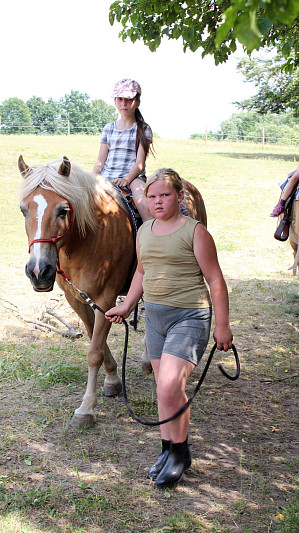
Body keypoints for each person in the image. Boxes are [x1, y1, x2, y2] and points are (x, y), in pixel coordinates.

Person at [105, 168, 233, 489]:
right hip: (156, 318)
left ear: (179, 196)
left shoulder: (195, 232)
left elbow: (215, 280)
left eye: (165, 195)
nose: (158, 201)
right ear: (145, 200)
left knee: (168, 387)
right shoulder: (144, 231)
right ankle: (168, 450)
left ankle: (180, 453)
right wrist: (126, 305)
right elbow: (141, 274)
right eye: (152, 196)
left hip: (189, 317)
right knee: (165, 389)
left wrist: (223, 325)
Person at [93, 78, 154, 221]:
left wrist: (126, 179)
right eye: (120, 99)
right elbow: (100, 161)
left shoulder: (143, 129)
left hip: (132, 177)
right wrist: (92, 177)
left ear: (137, 102)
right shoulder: (108, 128)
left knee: (142, 202)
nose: (124, 103)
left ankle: (151, 236)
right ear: (115, 101)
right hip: (107, 175)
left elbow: (139, 163)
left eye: (128, 99)